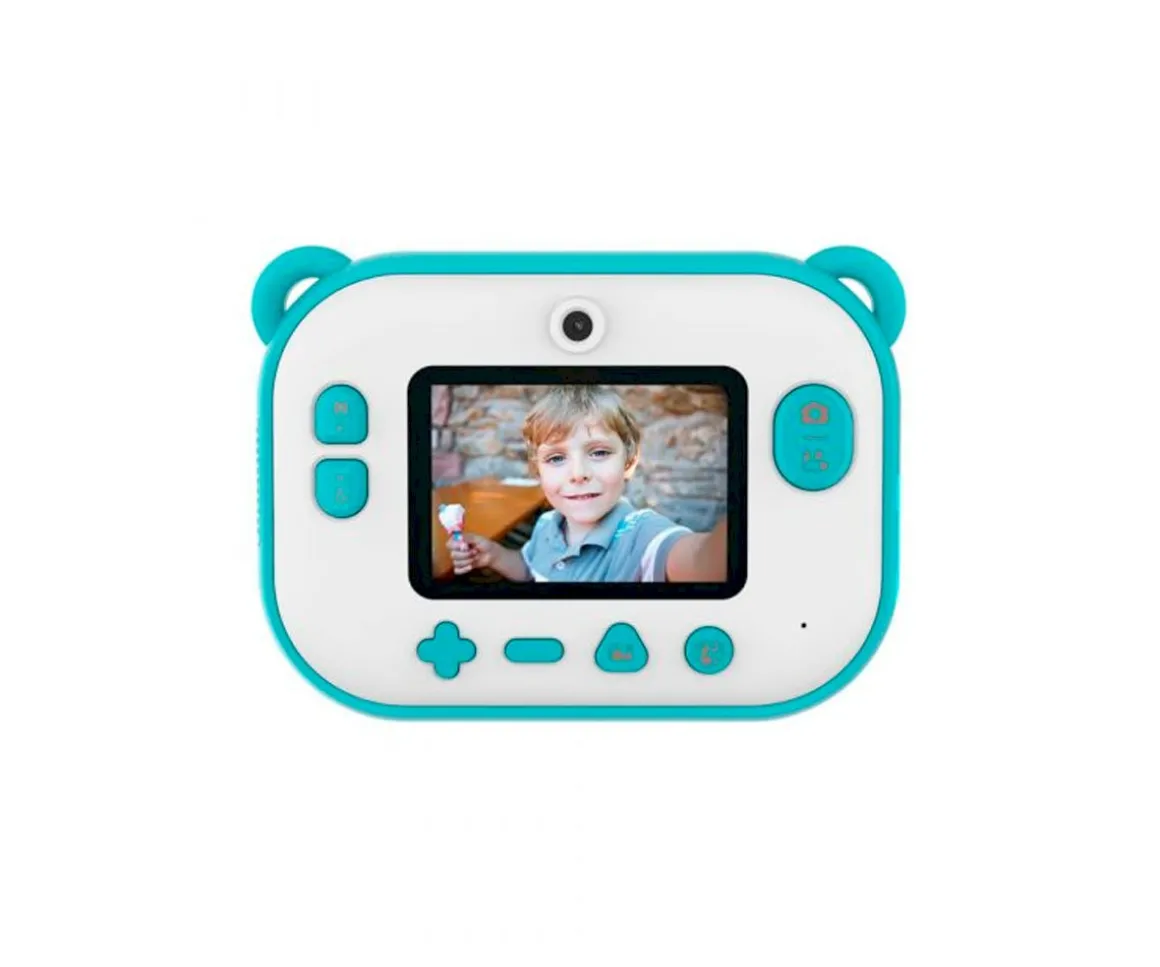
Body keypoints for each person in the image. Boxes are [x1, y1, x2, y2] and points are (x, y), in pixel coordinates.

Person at [447, 385, 726, 582]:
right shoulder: (547, 525)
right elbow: (530, 570)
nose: (578, 473)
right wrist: (494, 556)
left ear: (629, 462)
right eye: (556, 458)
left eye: (599, 452)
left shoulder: (641, 535)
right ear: (538, 472)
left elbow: (702, 562)